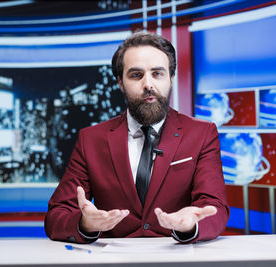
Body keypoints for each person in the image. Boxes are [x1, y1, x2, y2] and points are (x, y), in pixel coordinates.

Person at [45, 31, 229, 244]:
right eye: (136, 75)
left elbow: (214, 207)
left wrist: (190, 226)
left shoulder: (202, 134)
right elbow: (57, 216)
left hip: (177, 256)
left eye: (157, 73)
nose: (148, 84)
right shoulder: (90, 140)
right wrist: (85, 224)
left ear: (171, 79)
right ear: (120, 83)